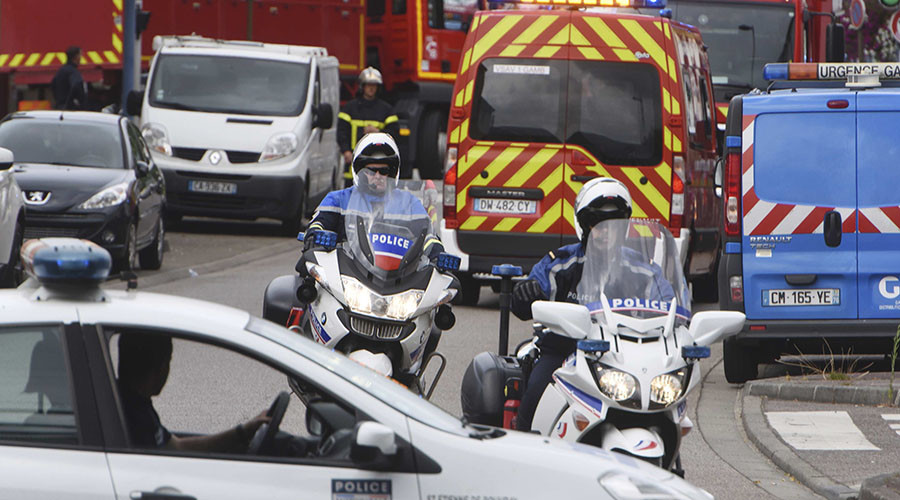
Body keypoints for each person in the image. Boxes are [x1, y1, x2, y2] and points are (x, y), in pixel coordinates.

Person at [510, 177, 673, 432]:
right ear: (585, 227)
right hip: (563, 352)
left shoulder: (642, 269)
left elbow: (668, 303)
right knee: (536, 392)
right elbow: (531, 290)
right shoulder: (562, 263)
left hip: (621, 355)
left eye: (613, 225)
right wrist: (525, 292)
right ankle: (521, 450)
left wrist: (680, 322)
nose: (605, 232)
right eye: (598, 225)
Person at [116, 332, 269, 452]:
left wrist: (244, 431)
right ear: (160, 368)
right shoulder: (132, 415)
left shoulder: (126, 403)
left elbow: (177, 447)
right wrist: (243, 432)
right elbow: (177, 448)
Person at [304, 132, 443, 260]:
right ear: (360, 171)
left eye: (384, 171)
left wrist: (436, 251)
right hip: (347, 276)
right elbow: (318, 224)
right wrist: (314, 233)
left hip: (398, 278)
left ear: (392, 172)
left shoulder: (409, 203)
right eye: (371, 170)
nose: (378, 176)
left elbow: (428, 235)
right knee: (304, 278)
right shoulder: (338, 199)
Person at [337, 68, 399, 183]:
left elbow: (394, 133)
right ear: (362, 86)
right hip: (353, 163)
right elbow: (342, 132)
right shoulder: (350, 108)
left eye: (374, 85)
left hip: (377, 165)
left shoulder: (386, 110)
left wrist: (379, 132)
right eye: (368, 85)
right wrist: (346, 151)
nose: (371, 88)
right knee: (351, 197)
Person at [51, 46, 86, 110]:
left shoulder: (61, 70)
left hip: (60, 106)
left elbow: (53, 84)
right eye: (80, 54)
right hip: (70, 109)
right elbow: (76, 86)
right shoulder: (73, 72)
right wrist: (80, 102)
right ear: (76, 56)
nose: (81, 57)